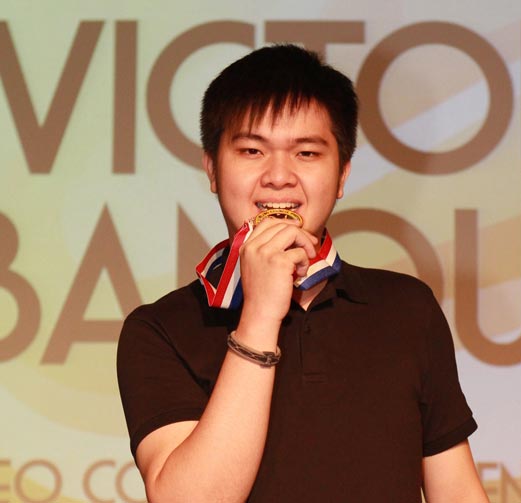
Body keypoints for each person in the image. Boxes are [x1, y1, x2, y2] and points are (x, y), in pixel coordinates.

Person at [117, 44, 489, 503]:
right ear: (212, 168)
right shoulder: (159, 329)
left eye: (307, 153)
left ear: (343, 174)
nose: (279, 176)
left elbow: (456, 490)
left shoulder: (406, 308)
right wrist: (259, 315)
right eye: (252, 150)